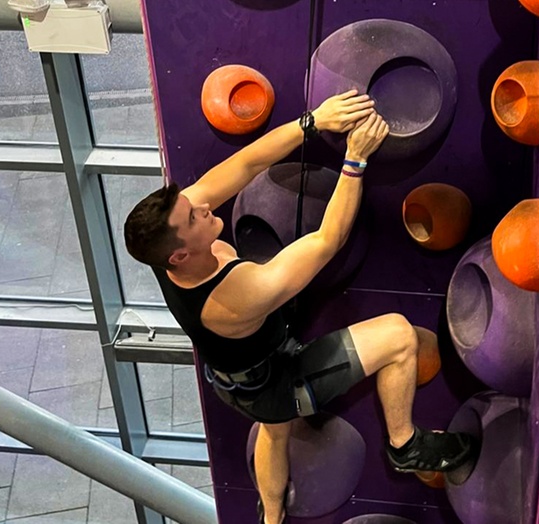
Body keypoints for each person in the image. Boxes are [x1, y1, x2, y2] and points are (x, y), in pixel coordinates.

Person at [124, 90, 474, 524]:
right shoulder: (237, 295)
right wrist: (356, 159)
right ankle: (406, 446)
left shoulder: (164, 246)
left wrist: (313, 121)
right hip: (277, 384)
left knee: (273, 430)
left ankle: (271, 518)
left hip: (231, 381)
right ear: (179, 254)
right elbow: (329, 240)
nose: (201, 204)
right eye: (193, 217)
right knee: (399, 336)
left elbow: (247, 164)